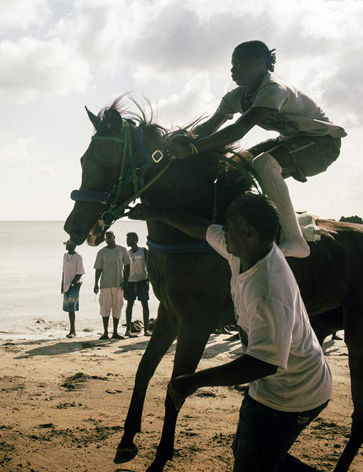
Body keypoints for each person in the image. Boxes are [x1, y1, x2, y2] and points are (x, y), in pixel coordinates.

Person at [131, 193, 332, 471]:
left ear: (249, 232)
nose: (223, 230)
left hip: (291, 396)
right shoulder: (242, 250)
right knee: (249, 452)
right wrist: (157, 214)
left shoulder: (267, 290)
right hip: (273, 390)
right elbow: (202, 228)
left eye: (229, 225)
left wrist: (195, 381)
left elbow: (265, 362)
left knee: (252, 463)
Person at [165, 40, 346, 259]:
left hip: (323, 143)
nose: (233, 69)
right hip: (290, 140)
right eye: (232, 64)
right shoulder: (236, 97)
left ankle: (296, 242)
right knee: (234, 168)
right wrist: (179, 137)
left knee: (264, 163)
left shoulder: (273, 89)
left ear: (261, 63)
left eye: (239, 63)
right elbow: (209, 127)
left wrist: (192, 150)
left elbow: (240, 129)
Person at [93, 231, 130, 340]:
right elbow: (98, 269)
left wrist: (126, 281)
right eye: (107, 238)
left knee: (117, 307)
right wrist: (95, 283)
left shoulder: (122, 250)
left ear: (114, 237)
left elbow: (127, 266)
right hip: (105, 284)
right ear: (105, 240)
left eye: (110, 237)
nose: (109, 239)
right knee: (105, 308)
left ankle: (115, 332)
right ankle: (105, 332)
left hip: (118, 284)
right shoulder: (101, 252)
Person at [124, 232, 151, 337]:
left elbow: (149, 266)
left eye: (129, 239)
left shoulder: (143, 251)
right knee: (129, 304)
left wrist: (148, 281)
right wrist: (125, 282)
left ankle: (146, 330)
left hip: (142, 281)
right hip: (130, 282)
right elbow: (125, 270)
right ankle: (128, 330)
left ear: (134, 240)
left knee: (145, 304)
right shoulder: (127, 253)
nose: (127, 241)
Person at [61, 240, 85, 338]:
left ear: (73, 246)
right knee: (68, 308)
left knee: (71, 308)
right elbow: (63, 271)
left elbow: (80, 273)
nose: (66, 246)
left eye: (68, 245)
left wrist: (72, 283)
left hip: (75, 284)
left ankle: (73, 331)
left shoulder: (78, 257)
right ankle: (71, 330)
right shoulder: (65, 256)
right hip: (66, 284)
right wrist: (62, 284)